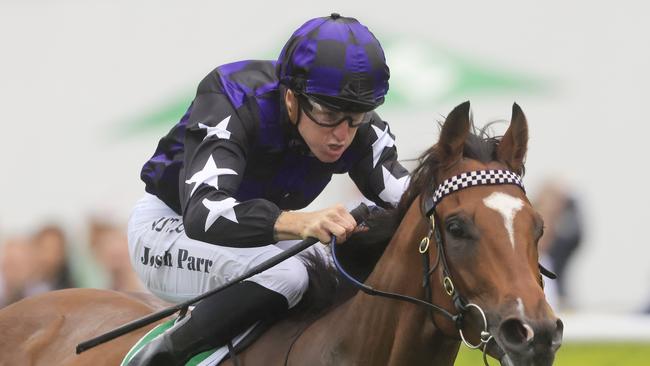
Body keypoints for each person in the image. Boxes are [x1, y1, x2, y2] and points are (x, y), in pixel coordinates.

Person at [127, 14, 409, 365]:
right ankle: (158, 358)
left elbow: (414, 196)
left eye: (357, 116)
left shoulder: (353, 127)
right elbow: (203, 212)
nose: (342, 134)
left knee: (341, 271)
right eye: (328, 113)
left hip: (257, 239)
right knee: (287, 275)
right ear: (291, 98)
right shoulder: (231, 98)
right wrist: (298, 222)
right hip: (170, 227)